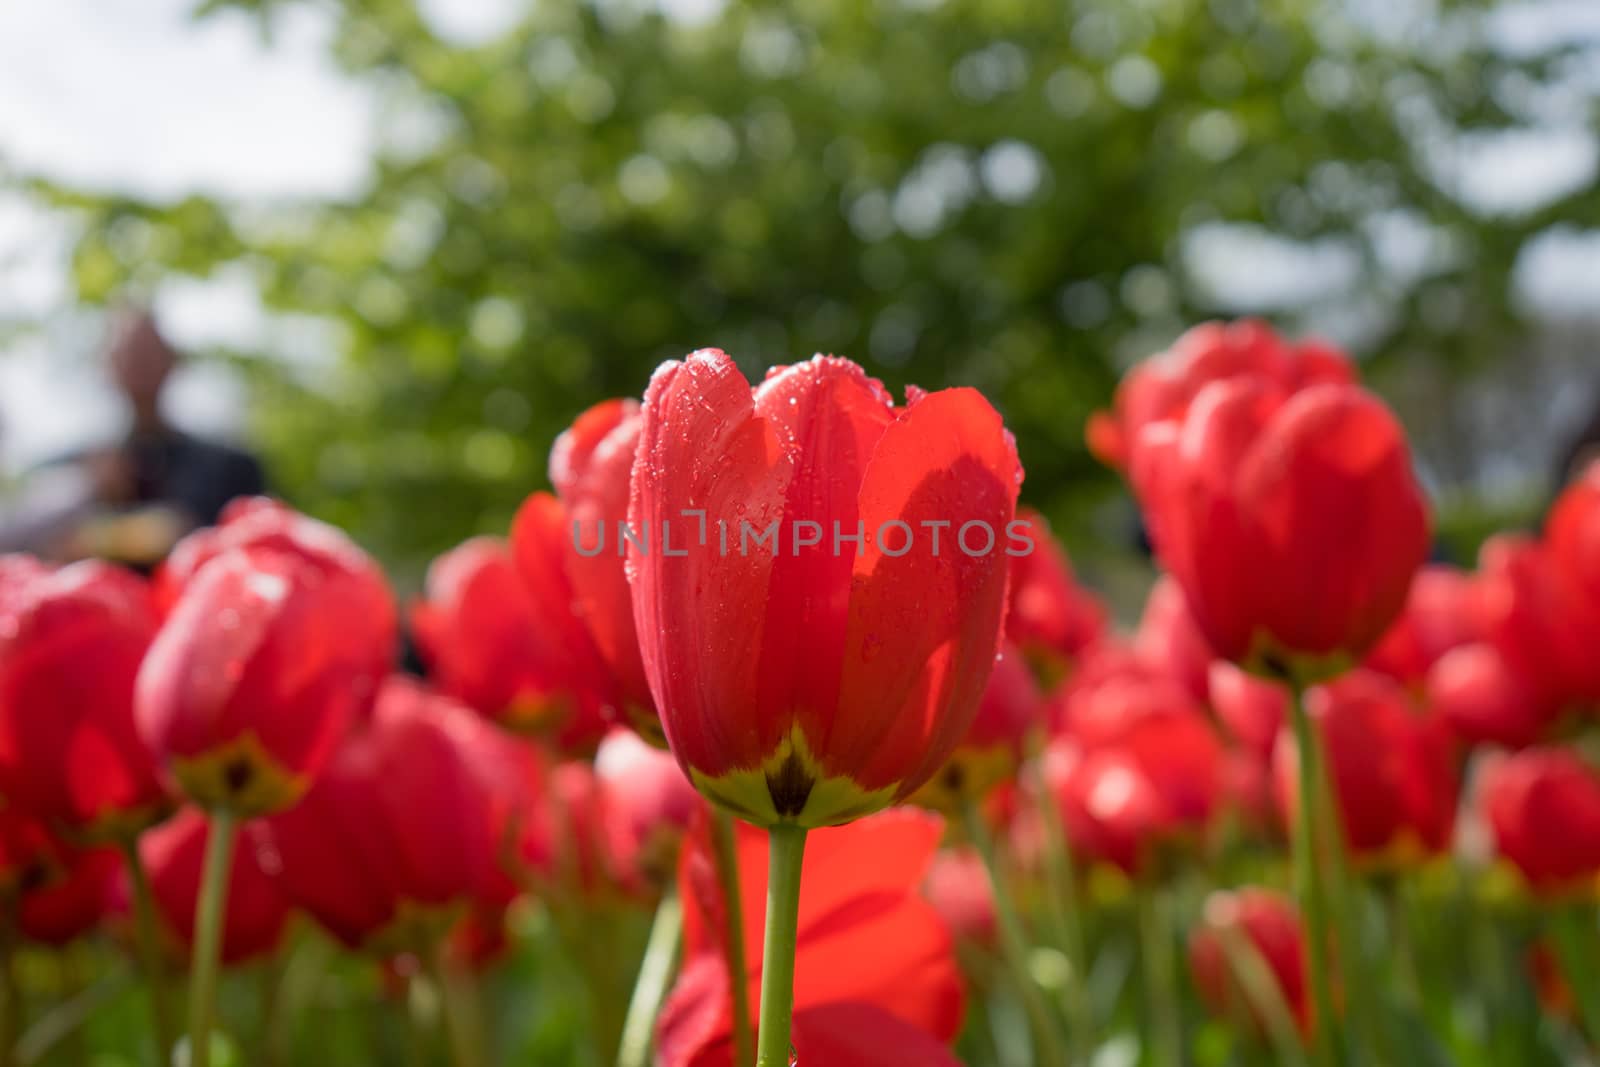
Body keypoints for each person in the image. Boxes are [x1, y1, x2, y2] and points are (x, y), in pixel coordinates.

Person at [0, 308, 265, 565]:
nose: (140, 366)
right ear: (107, 365)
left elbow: (246, 543)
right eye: (129, 354)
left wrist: (104, 537)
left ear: (173, 361)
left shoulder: (229, 466)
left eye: (148, 352)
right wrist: (91, 494)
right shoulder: (73, 471)